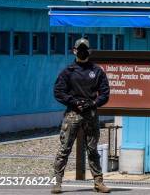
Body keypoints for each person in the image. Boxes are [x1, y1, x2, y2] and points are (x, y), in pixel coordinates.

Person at [51, 37, 111, 194]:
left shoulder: (97, 71)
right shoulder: (68, 71)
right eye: (80, 49)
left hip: (90, 114)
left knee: (92, 150)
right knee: (64, 149)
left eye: (85, 49)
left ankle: (98, 182)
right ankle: (57, 183)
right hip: (73, 114)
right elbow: (58, 92)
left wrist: (93, 103)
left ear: (89, 51)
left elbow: (105, 93)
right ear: (74, 51)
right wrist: (73, 102)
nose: (83, 52)